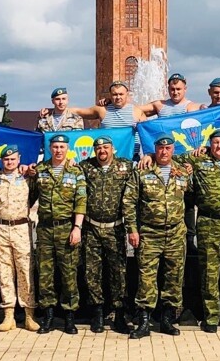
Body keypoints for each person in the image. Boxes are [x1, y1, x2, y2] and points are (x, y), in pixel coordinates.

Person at [177, 128, 220, 333]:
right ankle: (212, 317)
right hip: (208, 222)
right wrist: (152, 155)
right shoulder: (199, 161)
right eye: (215, 143)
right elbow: (171, 157)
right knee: (209, 272)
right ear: (210, 145)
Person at [124, 134, 191, 339]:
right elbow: (129, 201)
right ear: (155, 150)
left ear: (173, 150)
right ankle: (144, 321)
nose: (164, 152)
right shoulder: (143, 171)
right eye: (160, 149)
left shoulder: (182, 172)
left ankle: (167, 320)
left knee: (174, 277)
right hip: (149, 233)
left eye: (168, 148)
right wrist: (132, 229)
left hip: (175, 233)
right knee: (146, 278)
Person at [32, 134, 86, 335]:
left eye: (62, 147)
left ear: (67, 148)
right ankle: (47, 316)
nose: (58, 150)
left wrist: (77, 228)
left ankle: (69, 317)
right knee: (45, 274)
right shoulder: (40, 170)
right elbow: (29, 195)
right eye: (55, 147)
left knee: (69, 274)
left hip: (67, 228)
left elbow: (81, 201)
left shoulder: (76, 171)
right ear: (50, 148)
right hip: (45, 229)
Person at [79, 136, 132, 334]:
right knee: (92, 272)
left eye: (106, 147)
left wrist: (150, 156)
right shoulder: (85, 167)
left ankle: (119, 315)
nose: (102, 150)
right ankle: (98, 313)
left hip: (115, 228)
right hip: (91, 228)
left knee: (119, 272)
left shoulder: (126, 167)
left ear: (113, 149)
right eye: (98, 147)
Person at [0, 145, 40, 332]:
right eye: (6, 159)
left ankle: (29, 314)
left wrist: (31, 169)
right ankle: (8, 314)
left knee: (26, 271)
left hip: (21, 228)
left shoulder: (27, 177)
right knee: (4, 271)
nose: (9, 162)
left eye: (13, 159)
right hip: (1, 228)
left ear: (19, 159)